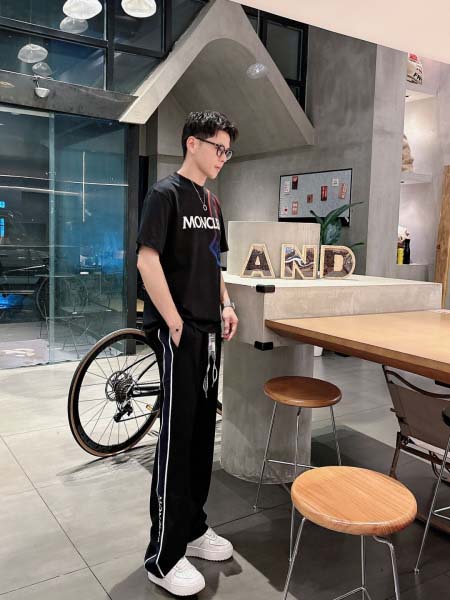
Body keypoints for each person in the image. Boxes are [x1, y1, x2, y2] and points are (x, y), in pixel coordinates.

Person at [137, 110, 239, 596]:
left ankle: (194, 529)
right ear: (192, 143)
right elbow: (147, 260)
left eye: (228, 151)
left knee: (201, 436)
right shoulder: (165, 195)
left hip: (209, 332)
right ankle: (163, 556)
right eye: (219, 148)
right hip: (179, 333)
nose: (223, 157)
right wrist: (175, 323)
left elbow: (214, 261)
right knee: (176, 441)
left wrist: (226, 304)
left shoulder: (212, 201)